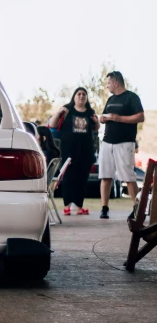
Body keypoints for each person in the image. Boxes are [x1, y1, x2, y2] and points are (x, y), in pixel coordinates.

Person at [99, 71, 144, 220]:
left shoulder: (132, 97)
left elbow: (140, 116)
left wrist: (119, 118)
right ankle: (104, 208)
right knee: (105, 176)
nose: (107, 86)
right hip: (107, 142)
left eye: (109, 83)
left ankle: (137, 208)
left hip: (124, 143)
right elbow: (105, 115)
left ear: (116, 82)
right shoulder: (110, 99)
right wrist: (103, 119)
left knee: (129, 177)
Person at [49, 87, 98, 216]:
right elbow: (52, 125)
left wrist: (97, 122)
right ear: (74, 97)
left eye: (84, 94)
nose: (81, 96)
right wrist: (59, 113)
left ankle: (78, 207)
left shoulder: (90, 112)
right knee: (68, 178)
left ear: (86, 98)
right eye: (79, 94)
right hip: (69, 150)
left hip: (86, 151)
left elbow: (95, 129)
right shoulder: (67, 110)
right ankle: (67, 206)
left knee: (82, 179)